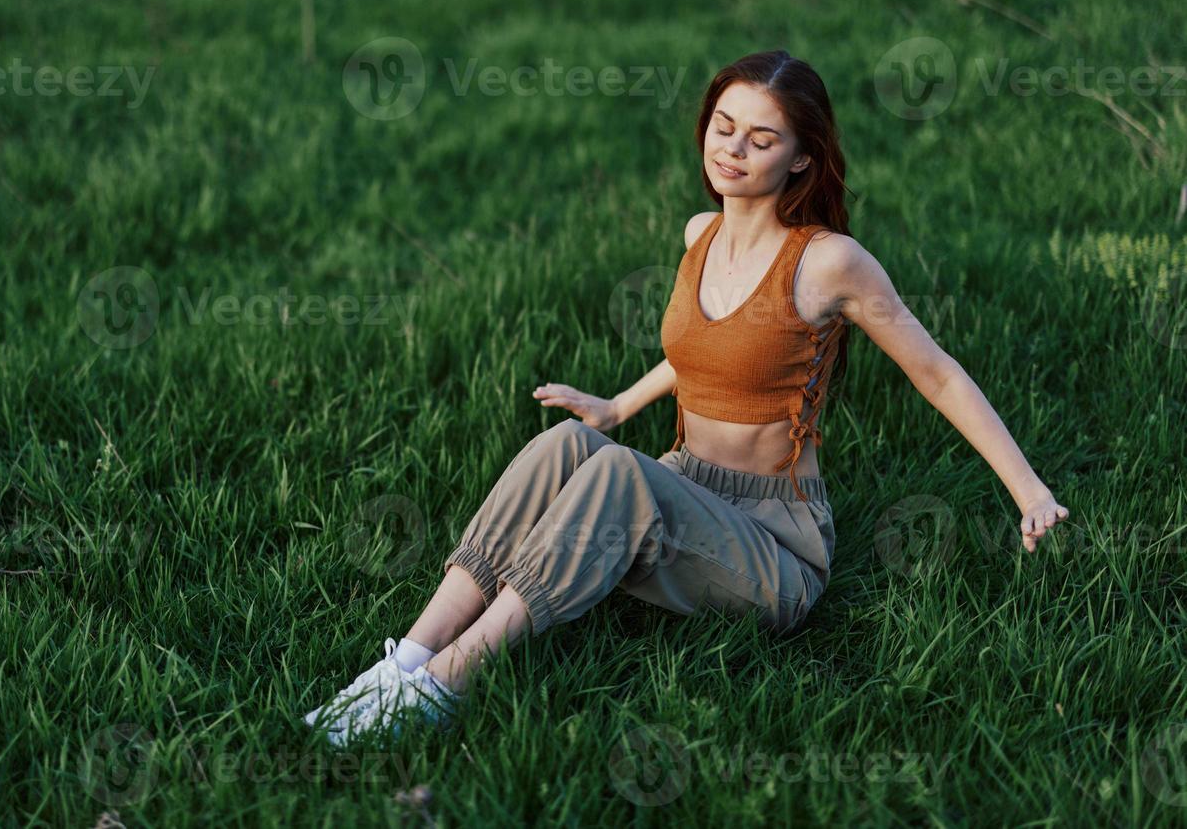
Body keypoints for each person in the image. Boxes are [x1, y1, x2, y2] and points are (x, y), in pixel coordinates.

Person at [303, 49, 1070, 745]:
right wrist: (615, 409)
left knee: (613, 475)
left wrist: (1029, 494)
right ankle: (403, 660)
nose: (732, 149)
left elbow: (934, 371)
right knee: (563, 447)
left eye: (760, 139)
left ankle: (444, 684)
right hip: (682, 484)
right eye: (723, 127)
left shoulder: (828, 263)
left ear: (802, 158)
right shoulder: (698, 233)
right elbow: (705, 354)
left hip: (775, 545)